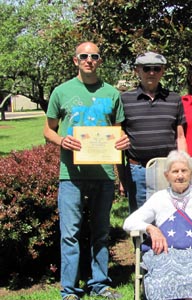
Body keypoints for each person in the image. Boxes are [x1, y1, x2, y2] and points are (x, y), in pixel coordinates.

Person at [43, 41, 130, 300]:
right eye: (84, 56)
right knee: (70, 234)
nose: (89, 60)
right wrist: (62, 140)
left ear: (100, 61)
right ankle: (69, 290)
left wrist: (123, 142)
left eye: (94, 56)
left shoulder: (112, 93)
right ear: (76, 60)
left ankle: (99, 284)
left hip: (103, 174)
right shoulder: (62, 91)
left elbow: (118, 131)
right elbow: (48, 129)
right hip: (71, 174)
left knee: (101, 232)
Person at [123, 150, 192, 300]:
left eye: (184, 171)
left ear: (191, 173)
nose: (180, 175)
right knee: (161, 281)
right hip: (165, 254)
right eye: (175, 171)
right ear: (167, 175)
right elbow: (128, 222)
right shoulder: (159, 198)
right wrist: (150, 228)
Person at [120, 51, 187, 212]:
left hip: (168, 169)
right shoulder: (124, 100)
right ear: (137, 70)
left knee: (171, 218)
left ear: (163, 71)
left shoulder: (174, 99)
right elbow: (118, 138)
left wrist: (183, 168)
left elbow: (180, 137)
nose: (151, 72)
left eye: (156, 68)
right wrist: (122, 178)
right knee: (141, 222)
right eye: (146, 68)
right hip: (138, 172)